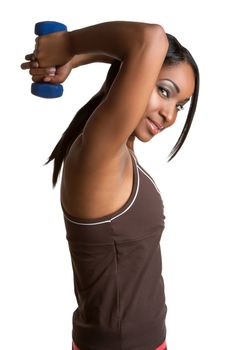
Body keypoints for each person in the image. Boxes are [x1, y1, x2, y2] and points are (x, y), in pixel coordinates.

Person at [21, 20, 199, 350]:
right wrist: (69, 44)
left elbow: (140, 52)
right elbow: (150, 39)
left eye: (179, 105)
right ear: (137, 75)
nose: (171, 116)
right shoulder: (99, 156)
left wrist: (74, 58)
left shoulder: (117, 153)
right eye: (164, 91)